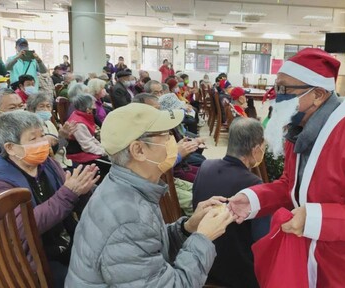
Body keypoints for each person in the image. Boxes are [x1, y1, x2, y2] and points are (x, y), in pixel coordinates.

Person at [228, 48, 345, 287]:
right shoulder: (300, 131)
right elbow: (290, 186)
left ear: (319, 94)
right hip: (318, 258)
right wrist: (252, 200)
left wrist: (313, 217)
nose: (275, 98)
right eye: (276, 89)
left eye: (284, 90)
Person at [65, 103, 234, 287]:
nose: (173, 142)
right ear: (138, 150)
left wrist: (188, 228)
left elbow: (150, 248)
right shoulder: (129, 219)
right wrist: (203, 238)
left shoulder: (126, 186)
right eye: (165, 135)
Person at [0, 110, 99, 287]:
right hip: (34, 257)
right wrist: (69, 193)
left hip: (64, 241)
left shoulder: (46, 163)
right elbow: (22, 228)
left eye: (42, 135)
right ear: (10, 147)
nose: (43, 142)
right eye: (33, 139)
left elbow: (71, 196)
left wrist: (83, 190)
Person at [193, 117, 269, 288]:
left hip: (203, 261)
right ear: (256, 149)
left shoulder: (205, 167)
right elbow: (263, 240)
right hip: (238, 273)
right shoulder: (255, 186)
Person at [26, 92, 75, 168]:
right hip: (53, 165)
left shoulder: (49, 123)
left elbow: (62, 146)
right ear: (32, 109)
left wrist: (65, 137)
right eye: (41, 107)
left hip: (65, 160)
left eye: (48, 106)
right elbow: (50, 152)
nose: (45, 110)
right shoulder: (31, 128)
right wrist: (62, 137)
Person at [66, 94, 107, 165]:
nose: (95, 107)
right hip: (78, 154)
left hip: (85, 148)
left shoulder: (80, 115)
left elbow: (91, 139)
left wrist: (103, 148)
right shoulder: (78, 123)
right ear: (88, 109)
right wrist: (104, 152)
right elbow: (87, 146)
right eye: (93, 105)